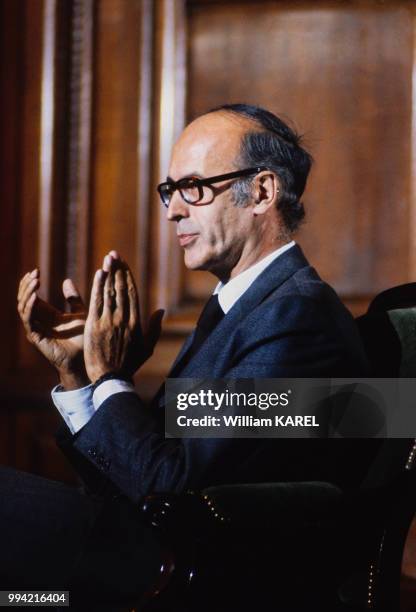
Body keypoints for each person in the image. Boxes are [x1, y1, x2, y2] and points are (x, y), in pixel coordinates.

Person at [11, 104, 369, 605]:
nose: (173, 210)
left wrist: (110, 375)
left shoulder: (298, 320)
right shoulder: (238, 308)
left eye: (194, 187)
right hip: (145, 549)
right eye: (170, 190)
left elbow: (170, 490)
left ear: (262, 193)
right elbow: (129, 477)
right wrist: (79, 375)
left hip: (200, 578)